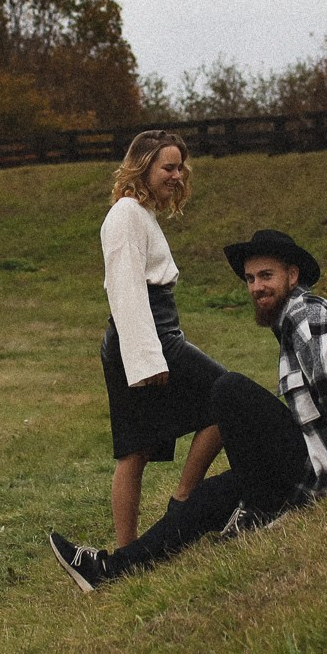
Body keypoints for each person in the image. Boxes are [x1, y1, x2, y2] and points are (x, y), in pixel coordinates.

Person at [49, 227, 327, 590]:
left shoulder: (305, 318)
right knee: (209, 497)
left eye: (266, 276)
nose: (256, 287)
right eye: (250, 278)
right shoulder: (295, 317)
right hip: (315, 457)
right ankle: (108, 569)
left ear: (292, 276)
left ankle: (260, 508)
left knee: (228, 389)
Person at [96, 129, 230, 548]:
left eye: (180, 168)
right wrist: (146, 361)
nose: (177, 176)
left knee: (220, 403)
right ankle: (133, 545)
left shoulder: (142, 213)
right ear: (143, 167)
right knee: (224, 396)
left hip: (157, 333)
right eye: (168, 167)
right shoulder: (125, 215)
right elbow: (125, 288)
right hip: (144, 337)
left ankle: (178, 505)